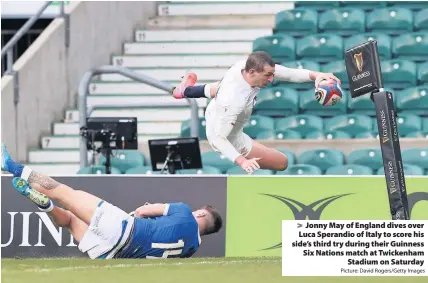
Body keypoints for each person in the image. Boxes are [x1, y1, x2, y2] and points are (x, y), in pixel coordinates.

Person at [1, 145, 222, 259]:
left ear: (201, 215)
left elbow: (143, 212)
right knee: (68, 221)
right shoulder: (192, 248)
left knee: (63, 193)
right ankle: (44, 205)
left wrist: (143, 211)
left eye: (198, 211)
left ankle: (10, 166)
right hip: (112, 255)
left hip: (123, 229)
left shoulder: (183, 211)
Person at [172, 51, 341, 174]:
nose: (271, 79)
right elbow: (219, 139)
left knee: (220, 88)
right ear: (252, 72)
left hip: (219, 105)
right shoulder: (233, 101)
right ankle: (186, 90)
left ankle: (185, 90)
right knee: (282, 162)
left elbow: (289, 74)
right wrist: (242, 161)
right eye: (268, 75)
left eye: (272, 74)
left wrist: (318, 75)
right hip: (229, 136)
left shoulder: (243, 67)